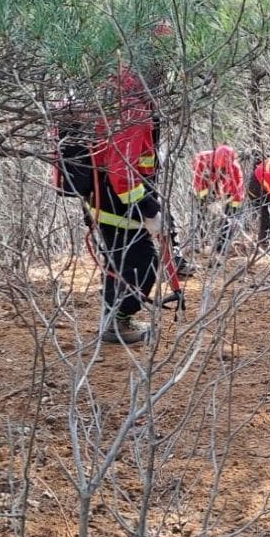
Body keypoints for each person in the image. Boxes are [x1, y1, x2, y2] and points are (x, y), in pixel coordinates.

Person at [89, 64, 164, 344]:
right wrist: (149, 210)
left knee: (118, 262)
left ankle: (113, 319)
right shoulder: (130, 107)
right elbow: (122, 171)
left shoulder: (111, 96)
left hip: (103, 198)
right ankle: (117, 323)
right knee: (141, 263)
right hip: (118, 202)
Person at [190, 144, 244, 255]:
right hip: (203, 186)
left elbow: (237, 192)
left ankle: (221, 249)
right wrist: (209, 203)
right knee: (200, 213)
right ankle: (197, 244)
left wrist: (232, 212)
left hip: (220, 189)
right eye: (221, 169)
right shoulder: (202, 159)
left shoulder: (235, 168)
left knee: (228, 219)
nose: (222, 171)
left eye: (225, 170)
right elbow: (198, 185)